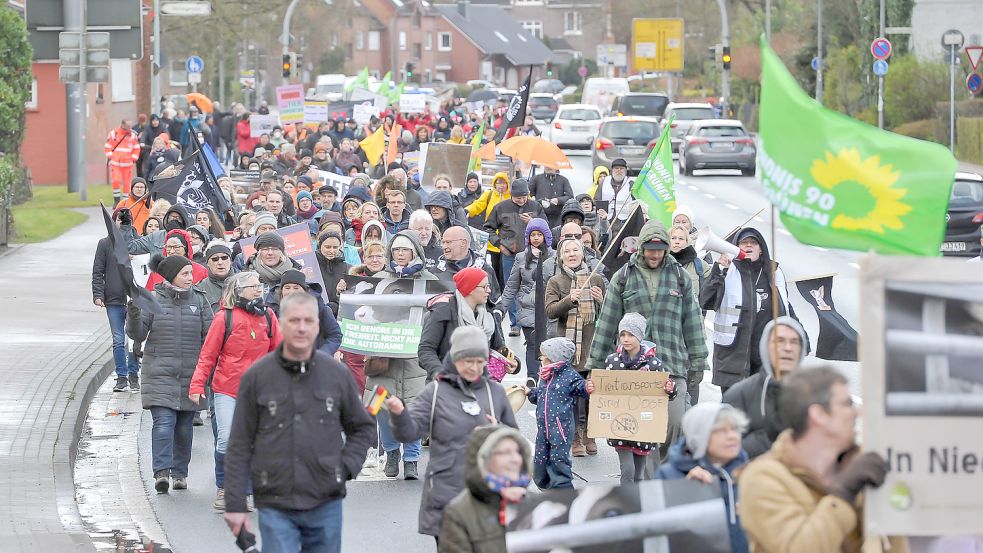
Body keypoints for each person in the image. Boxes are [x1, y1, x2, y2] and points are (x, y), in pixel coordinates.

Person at [223, 292, 376, 553]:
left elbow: (361, 427)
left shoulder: (336, 374)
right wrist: (235, 503)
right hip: (275, 499)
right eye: (294, 320)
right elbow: (239, 443)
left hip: (325, 498)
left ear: (318, 325)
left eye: (309, 320)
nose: (302, 327)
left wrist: (347, 467)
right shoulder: (257, 377)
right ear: (281, 323)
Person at [738, 366, 899, 553]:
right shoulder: (762, 478)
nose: (857, 413)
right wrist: (844, 492)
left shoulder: (856, 464)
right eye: (847, 404)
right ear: (819, 415)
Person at [587, 219, 708, 460]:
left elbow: (692, 322)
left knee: (675, 423)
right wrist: (596, 366)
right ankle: (652, 486)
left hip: (672, 364)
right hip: (633, 371)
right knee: (645, 432)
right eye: (650, 249)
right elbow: (608, 323)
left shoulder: (680, 277)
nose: (655, 254)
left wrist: (698, 360)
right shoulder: (623, 277)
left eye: (660, 249)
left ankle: (662, 474)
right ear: (642, 247)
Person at [384, 326, 519, 542]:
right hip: (447, 493)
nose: (474, 368)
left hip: (488, 494)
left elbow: (515, 441)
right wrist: (400, 415)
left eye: (479, 361)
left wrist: (499, 430)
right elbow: (409, 433)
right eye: (467, 361)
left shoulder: (495, 392)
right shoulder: (435, 392)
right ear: (454, 359)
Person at [189, 271, 282, 512]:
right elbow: (208, 355)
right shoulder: (224, 318)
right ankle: (224, 488)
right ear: (238, 291)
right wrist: (197, 385)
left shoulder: (269, 316)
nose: (258, 290)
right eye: (253, 286)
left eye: (259, 285)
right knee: (227, 439)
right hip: (226, 389)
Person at [126, 255, 213, 494]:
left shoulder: (200, 301)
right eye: (185, 273)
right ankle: (161, 473)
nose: (190, 278)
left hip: (190, 376)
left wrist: (209, 371)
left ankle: (180, 473)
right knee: (164, 424)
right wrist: (133, 312)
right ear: (171, 275)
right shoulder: (153, 300)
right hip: (159, 374)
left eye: (190, 273)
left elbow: (211, 338)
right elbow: (137, 335)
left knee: (184, 428)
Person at [366, 231, 438, 480]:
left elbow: (437, 315)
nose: (400, 254)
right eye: (396, 249)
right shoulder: (378, 280)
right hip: (382, 355)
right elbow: (363, 312)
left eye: (405, 249)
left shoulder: (430, 281)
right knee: (383, 408)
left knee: (414, 408)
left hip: (414, 355)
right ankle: (392, 453)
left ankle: (411, 458)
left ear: (415, 251)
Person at [700, 227, 803, 394]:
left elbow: (785, 307)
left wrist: (799, 334)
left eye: (753, 243)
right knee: (734, 413)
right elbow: (706, 301)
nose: (748, 246)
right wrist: (718, 271)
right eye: (744, 243)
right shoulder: (728, 270)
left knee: (763, 411)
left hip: (766, 358)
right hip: (733, 357)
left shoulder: (774, 273)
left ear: (761, 248)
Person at [655, 403, 751, 553]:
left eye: (734, 429)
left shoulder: (752, 473)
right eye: (720, 431)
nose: (732, 436)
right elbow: (658, 532)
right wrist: (686, 491)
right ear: (698, 435)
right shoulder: (669, 476)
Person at [544, 238, 604, 456]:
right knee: (571, 397)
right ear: (561, 256)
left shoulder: (595, 277)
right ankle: (574, 438)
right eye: (567, 251)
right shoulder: (555, 281)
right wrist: (569, 299)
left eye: (575, 250)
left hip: (591, 346)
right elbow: (550, 312)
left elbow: (607, 313)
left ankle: (590, 433)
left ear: (582, 253)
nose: (571, 254)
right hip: (567, 348)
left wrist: (601, 300)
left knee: (590, 394)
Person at [600, 313, 677, 482]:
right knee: (627, 471)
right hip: (620, 427)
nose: (626, 339)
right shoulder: (612, 362)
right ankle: (628, 504)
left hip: (644, 428)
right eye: (623, 335)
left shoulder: (654, 364)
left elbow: (664, 395)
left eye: (631, 335)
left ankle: (638, 502)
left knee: (638, 475)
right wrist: (593, 387)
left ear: (640, 336)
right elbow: (603, 391)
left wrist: (670, 388)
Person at [723, 317, 807, 459]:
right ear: (765, 346)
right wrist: (764, 439)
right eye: (780, 341)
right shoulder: (738, 395)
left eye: (794, 342)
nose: (787, 348)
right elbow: (724, 451)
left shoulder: (816, 394)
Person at [438, 426, 532, 553]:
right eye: (505, 452)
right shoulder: (458, 513)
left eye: (517, 452)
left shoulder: (537, 503)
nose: (516, 459)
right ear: (484, 460)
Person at [419, 267, 512, 381]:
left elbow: (498, 347)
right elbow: (426, 349)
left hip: (479, 386)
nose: (489, 291)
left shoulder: (488, 314)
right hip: (446, 386)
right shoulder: (442, 311)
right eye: (484, 287)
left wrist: (513, 362)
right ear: (470, 288)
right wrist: (440, 372)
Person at [526, 338, 593, 489]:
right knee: (540, 462)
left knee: (559, 461)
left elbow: (581, 387)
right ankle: (547, 486)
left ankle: (564, 493)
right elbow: (542, 396)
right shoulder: (545, 376)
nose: (541, 358)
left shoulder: (569, 376)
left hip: (561, 429)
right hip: (543, 429)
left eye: (543, 356)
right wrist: (531, 392)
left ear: (553, 357)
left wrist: (588, 387)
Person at [485, 179, 545, 330]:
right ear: (512, 195)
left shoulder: (535, 206)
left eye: (525, 197)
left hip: (532, 254)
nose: (522, 200)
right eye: (518, 197)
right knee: (511, 288)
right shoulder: (500, 207)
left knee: (532, 287)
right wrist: (499, 244)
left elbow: (545, 227)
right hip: (509, 254)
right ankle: (515, 323)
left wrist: (533, 221)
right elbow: (488, 228)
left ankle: (532, 321)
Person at [92, 207, 141, 392]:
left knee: (135, 337)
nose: (121, 223)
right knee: (118, 339)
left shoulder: (137, 242)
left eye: (124, 220)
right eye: (118, 220)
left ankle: (133, 373)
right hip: (113, 298)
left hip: (135, 299)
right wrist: (98, 294)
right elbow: (98, 270)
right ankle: (121, 376)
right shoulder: (104, 244)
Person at [498, 218, 553, 371]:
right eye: (532, 235)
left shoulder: (555, 257)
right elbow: (512, 286)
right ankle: (533, 379)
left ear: (546, 236)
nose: (535, 238)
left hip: (549, 309)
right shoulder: (521, 257)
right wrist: (501, 308)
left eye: (539, 234)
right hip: (528, 309)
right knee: (533, 345)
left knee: (549, 347)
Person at [668, 224, 711, 404]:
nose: (677, 242)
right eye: (674, 238)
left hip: (691, 330)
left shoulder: (700, 266)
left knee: (692, 376)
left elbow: (710, 293)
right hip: (669, 330)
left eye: (681, 238)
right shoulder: (661, 262)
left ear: (687, 241)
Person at [266, 269, 343, 359]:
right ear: (281, 291)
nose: (291, 292)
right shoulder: (271, 312)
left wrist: (322, 354)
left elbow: (335, 335)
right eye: (287, 288)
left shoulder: (321, 309)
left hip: (313, 364)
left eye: (296, 288)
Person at [434, 226, 499, 302]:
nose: (444, 247)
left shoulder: (485, 269)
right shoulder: (435, 272)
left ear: (463, 243)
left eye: (448, 242)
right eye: (443, 242)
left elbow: (496, 301)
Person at [466, 172, 510, 283]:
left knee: (505, 273)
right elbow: (477, 205)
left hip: (508, 242)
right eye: (498, 182)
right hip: (492, 242)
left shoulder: (512, 196)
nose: (501, 185)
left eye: (503, 182)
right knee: (492, 271)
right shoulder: (489, 195)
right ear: (494, 184)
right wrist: (466, 210)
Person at [144, 229, 209, 290]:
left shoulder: (201, 271)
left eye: (176, 247)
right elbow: (148, 297)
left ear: (186, 249)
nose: (171, 251)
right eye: (169, 247)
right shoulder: (157, 272)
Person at [105, 119, 141, 204]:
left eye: (130, 126)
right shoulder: (114, 133)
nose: (129, 128)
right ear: (122, 125)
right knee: (116, 181)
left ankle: (125, 202)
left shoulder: (133, 135)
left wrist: (133, 159)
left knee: (127, 183)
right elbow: (108, 146)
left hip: (128, 164)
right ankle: (116, 201)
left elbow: (136, 148)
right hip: (116, 163)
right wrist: (111, 156)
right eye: (128, 126)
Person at [593, 158, 635, 232]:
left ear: (625, 171)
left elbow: (636, 202)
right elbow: (597, 199)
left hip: (624, 221)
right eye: (616, 168)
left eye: (621, 168)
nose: (619, 171)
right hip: (606, 220)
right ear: (612, 170)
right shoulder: (604, 182)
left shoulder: (631, 183)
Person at [314, 232, 350, 316]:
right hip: (314, 313)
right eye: (327, 247)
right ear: (320, 246)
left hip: (338, 314)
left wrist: (336, 304)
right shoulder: (311, 265)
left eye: (335, 247)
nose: (331, 251)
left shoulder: (346, 268)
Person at [198, 242, 236, 313]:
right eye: (215, 259)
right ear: (207, 263)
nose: (220, 262)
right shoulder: (200, 289)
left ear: (230, 261)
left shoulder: (243, 283)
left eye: (224, 258)